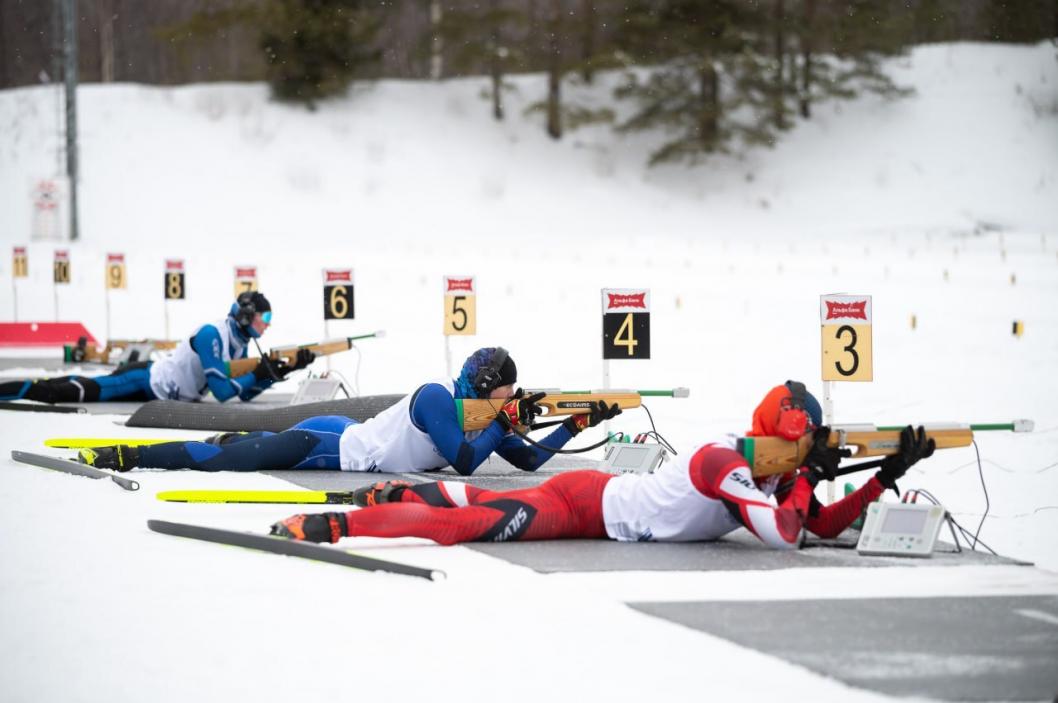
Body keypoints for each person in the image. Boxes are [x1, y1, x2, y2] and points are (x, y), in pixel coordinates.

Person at [270, 380, 936, 550]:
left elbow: (815, 526)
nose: (805, 461)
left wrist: (885, 475)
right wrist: (814, 476)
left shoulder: (775, 473)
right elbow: (781, 532)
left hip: (596, 500)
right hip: (582, 507)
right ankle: (333, 527)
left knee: (479, 505)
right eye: (804, 447)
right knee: (473, 524)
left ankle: (395, 493)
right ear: (782, 439)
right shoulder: (722, 461)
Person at [77, 347, 623, 474]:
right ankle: (122, 453)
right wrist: (505, 423)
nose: (511, 398)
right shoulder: (436, 397)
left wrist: (573, 425)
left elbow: (526, 462)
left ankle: (223, 440)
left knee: (230, 449)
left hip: (348, 433)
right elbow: (463, 460)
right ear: (486, 385)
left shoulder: (487, 418)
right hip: (329, 443)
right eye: (507, 390)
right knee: (217, 460)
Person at [0, 291, 311, 404]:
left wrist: (277, 372)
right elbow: (223, 391)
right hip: (145, 381)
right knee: (68, 393)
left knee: (74, 388)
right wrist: (258, 371)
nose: (267, 324)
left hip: (163, 390)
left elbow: (243, 393)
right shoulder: (211, 335)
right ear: (246, 316)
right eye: (264, 317)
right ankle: (12, 390)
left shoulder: (239, 343)